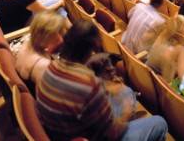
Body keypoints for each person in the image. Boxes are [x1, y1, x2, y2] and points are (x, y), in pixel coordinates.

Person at [36, 20, 168, 141]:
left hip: (66, 130)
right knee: (159, 122)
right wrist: (126, 114)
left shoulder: (51, 66)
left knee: (126, 92)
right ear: (93, 47)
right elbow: (113, 133)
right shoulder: (89, 84)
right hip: (90, 136)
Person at [14, 11, 68, 84]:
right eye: (59, 33)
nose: (60, 38)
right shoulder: (43, 65)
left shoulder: (28, 42)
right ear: (47, 35)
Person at [147, 15, 184, 82]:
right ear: (183, 31)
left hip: (149, 79)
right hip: (165, 87)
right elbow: (183, 78)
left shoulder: (160, 37)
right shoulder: (180, 49)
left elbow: (168, 64)